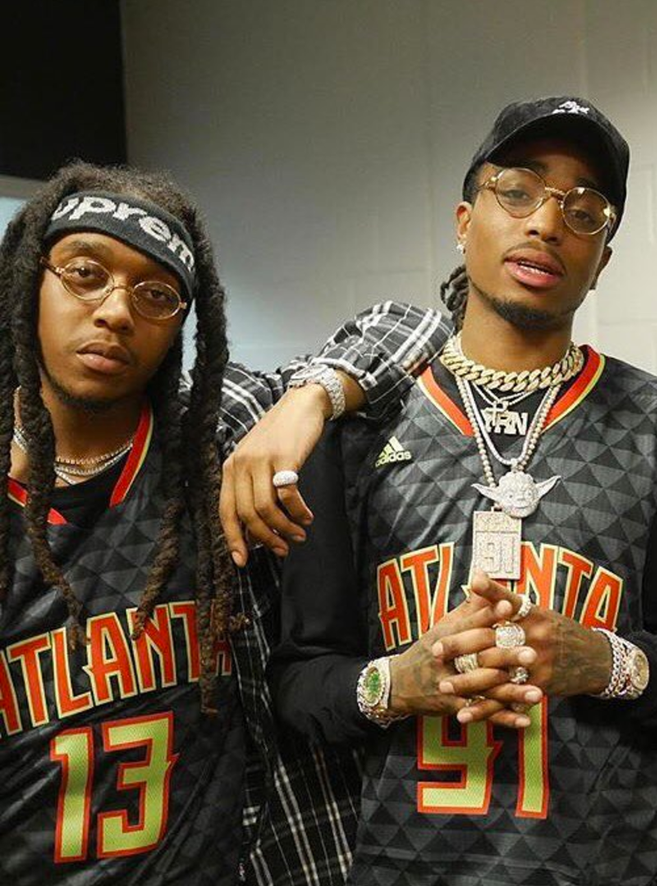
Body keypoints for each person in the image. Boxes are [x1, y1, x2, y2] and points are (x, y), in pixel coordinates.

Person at [266, 95, 657, 885]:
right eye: (518, 191)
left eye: (583, 212)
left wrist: (609, 663)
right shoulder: (356, 425)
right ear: (465, 222)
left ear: (603, 258)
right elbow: (298, 683)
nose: (547, 223)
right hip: (404, 866)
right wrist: (397, 683)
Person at [0, 162, 447, 884]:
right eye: (85, 273)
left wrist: (307, 401)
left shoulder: (216, 438)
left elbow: (418, 325)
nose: (116, 311)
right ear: (29, 282)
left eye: (155, 294)